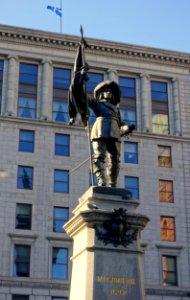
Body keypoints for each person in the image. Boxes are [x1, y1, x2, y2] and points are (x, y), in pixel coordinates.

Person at [89, 80, 135, 187]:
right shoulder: (97, 104)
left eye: (110, 92)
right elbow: (83, 97)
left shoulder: (116, 110)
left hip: (114, 133)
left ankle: (112, 182)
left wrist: (127, 128)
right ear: (101, 94)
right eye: (106, 91)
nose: (109, 93)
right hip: (100, 130)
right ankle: (101, 180)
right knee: (99, 157)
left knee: (115, 159)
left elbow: (121, 125)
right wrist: (79, 80)